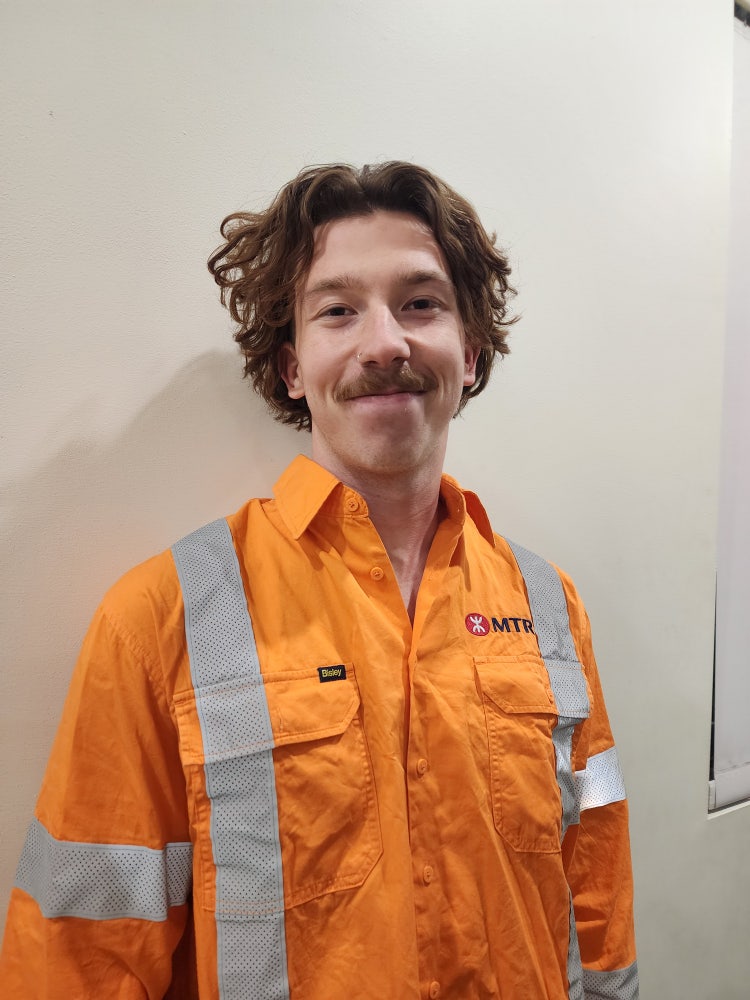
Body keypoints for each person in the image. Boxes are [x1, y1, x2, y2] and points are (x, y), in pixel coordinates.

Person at [0, 162, 639, 999]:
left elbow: (595, 879)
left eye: (422, 303)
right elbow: (80, 956)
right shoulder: (164, 618)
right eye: (338, 311)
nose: (385, 343)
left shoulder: (550, 607)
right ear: (293, 366)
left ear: (470, 352)